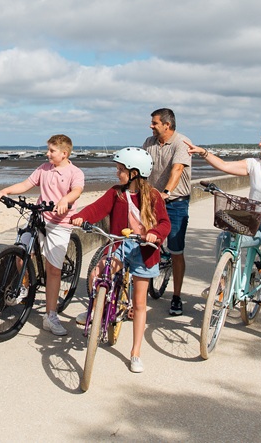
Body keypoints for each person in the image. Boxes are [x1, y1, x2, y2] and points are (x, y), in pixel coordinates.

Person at [185, 126, 261, 351]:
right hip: (254, 221)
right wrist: (203, 152)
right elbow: (224, 166)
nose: (260, 144)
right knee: (225, 237)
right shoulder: (254, 165)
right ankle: (223, 283)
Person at [71, 147, 171, 373]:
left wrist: (156, 234)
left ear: (135, 172)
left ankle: (135, 352)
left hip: (145, 250)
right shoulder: (116, 193)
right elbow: (98, 208)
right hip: (121, 245)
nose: (117, 173)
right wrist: (81, 217)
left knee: (139, 304)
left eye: (121, 169)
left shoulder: (153, 196)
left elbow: (165, 223)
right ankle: (95, 311)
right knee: (98, 273)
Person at [0, 134, 84, 336]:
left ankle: (50, 316)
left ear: (64, 153)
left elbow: (77, 190)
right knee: (20, 252)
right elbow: (26, 184)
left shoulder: (75, 172)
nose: (48, 153)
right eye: (48, 150)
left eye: (52, 151)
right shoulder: (44, 168)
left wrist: (64, 200)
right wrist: (6, 191)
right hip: (39, 217)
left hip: (60, 223)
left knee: (53, 270)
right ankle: (24, 285)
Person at [142, 108, 192, 316]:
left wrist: (166, 193)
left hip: (175, 202)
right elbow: (142, 166)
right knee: (143, 242)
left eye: (154, 123)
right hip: (151, 200)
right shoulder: (149, 142)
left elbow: (177, 170)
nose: (151, 126)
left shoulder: (181, 143)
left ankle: (177, 296)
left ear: (167, 125)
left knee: (176, 250)